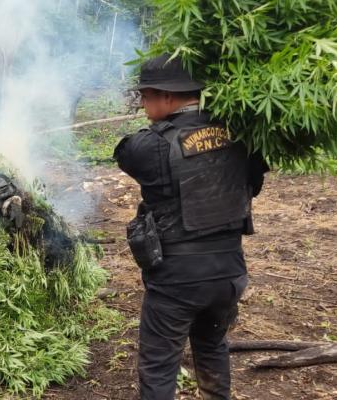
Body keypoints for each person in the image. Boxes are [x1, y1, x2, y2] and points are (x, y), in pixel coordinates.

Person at [113, 53, 269, 400]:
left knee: (158, 363)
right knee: (212, 346)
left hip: (177, 282)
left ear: (167, 97)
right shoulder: (242, 136)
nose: (142, 105)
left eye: (146, 97)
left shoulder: (151, 145)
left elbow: (124, 151)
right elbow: (252, 183)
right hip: (229, 273)